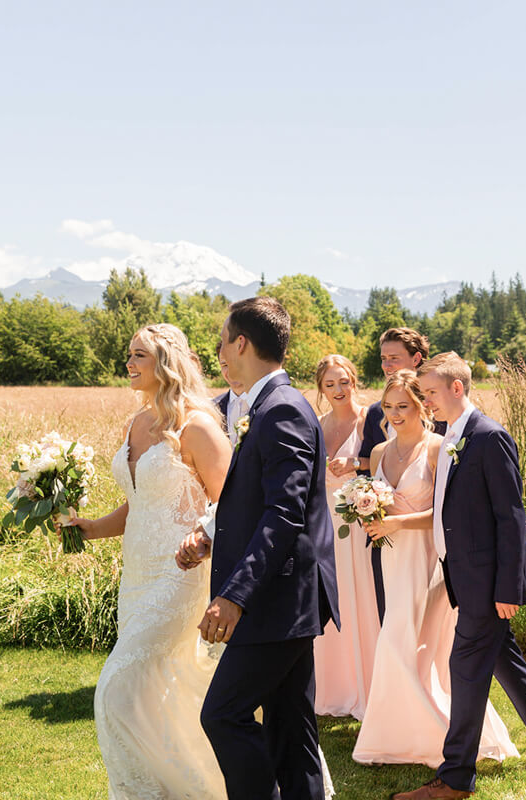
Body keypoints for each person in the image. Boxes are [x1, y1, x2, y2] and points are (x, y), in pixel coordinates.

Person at [176, 297, 340, 800]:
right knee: (291, 733)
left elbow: (284, 514)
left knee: (223, 715)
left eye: (223, 342)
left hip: (276, 601)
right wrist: (212, 538)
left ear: (241, 343)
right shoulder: (265, 406)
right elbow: (255, 503)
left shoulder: (282, 408)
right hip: (284, 600)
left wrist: (234, 595)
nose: (220, 354)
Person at [62, 323, 232, 799]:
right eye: (129, 353)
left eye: (139, 355)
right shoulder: (135, 423)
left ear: (165, 363)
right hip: (135, 574)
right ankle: (195, 785)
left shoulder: (196, 426)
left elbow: (232, 507)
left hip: (181, 575)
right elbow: (139, 502)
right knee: (164, 689)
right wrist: (91, 527)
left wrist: (202, 543)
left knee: (117, 686)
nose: (130, 363)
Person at [393, 353, 526, 800]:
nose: (425, 403)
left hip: (487, 583)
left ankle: (455, 778)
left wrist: (508, 588)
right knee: (503, 659)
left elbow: (511, 518)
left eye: (430, 393)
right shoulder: (450, 436)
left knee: (464, 668)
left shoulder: (489, 437)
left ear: (457, 388)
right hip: (462, 575)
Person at [353, 370, 518, 768]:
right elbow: (369, 499)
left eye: (404, 405)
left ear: (421, 406)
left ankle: (437, 736)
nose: (394, 413)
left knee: (411, 646)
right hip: (390, 558)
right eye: (388, 406)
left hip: (428, 560)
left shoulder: (438, 448)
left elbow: (446, 512)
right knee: (399, 642)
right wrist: (363, 511)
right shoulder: (378, 454)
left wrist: (397, 522)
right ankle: (402, 735)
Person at [328, 327, 443, 624]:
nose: (387, 365)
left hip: (427, 547)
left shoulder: (439, 416)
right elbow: (370, 466)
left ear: (416, 359)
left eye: (394, 358)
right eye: (383, 359)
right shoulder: (377, 413)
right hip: (385, 545)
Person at [313, 354, 379, 719]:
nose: (339, 390)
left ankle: (365, 685)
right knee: (330, 596)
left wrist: (357, 464)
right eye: (330, 384)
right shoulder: (317, 424)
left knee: (361, 596)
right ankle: (331, 687)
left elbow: (389, 459)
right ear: (321, 389)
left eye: (344, 381)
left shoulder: (371, 417)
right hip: (325, 522)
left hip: (360, 521)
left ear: (354, 380)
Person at [215, 353, 248, 447]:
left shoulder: (263, 405)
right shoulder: (212, 408)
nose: (231, 371)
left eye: (237, 363)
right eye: (225, 365)